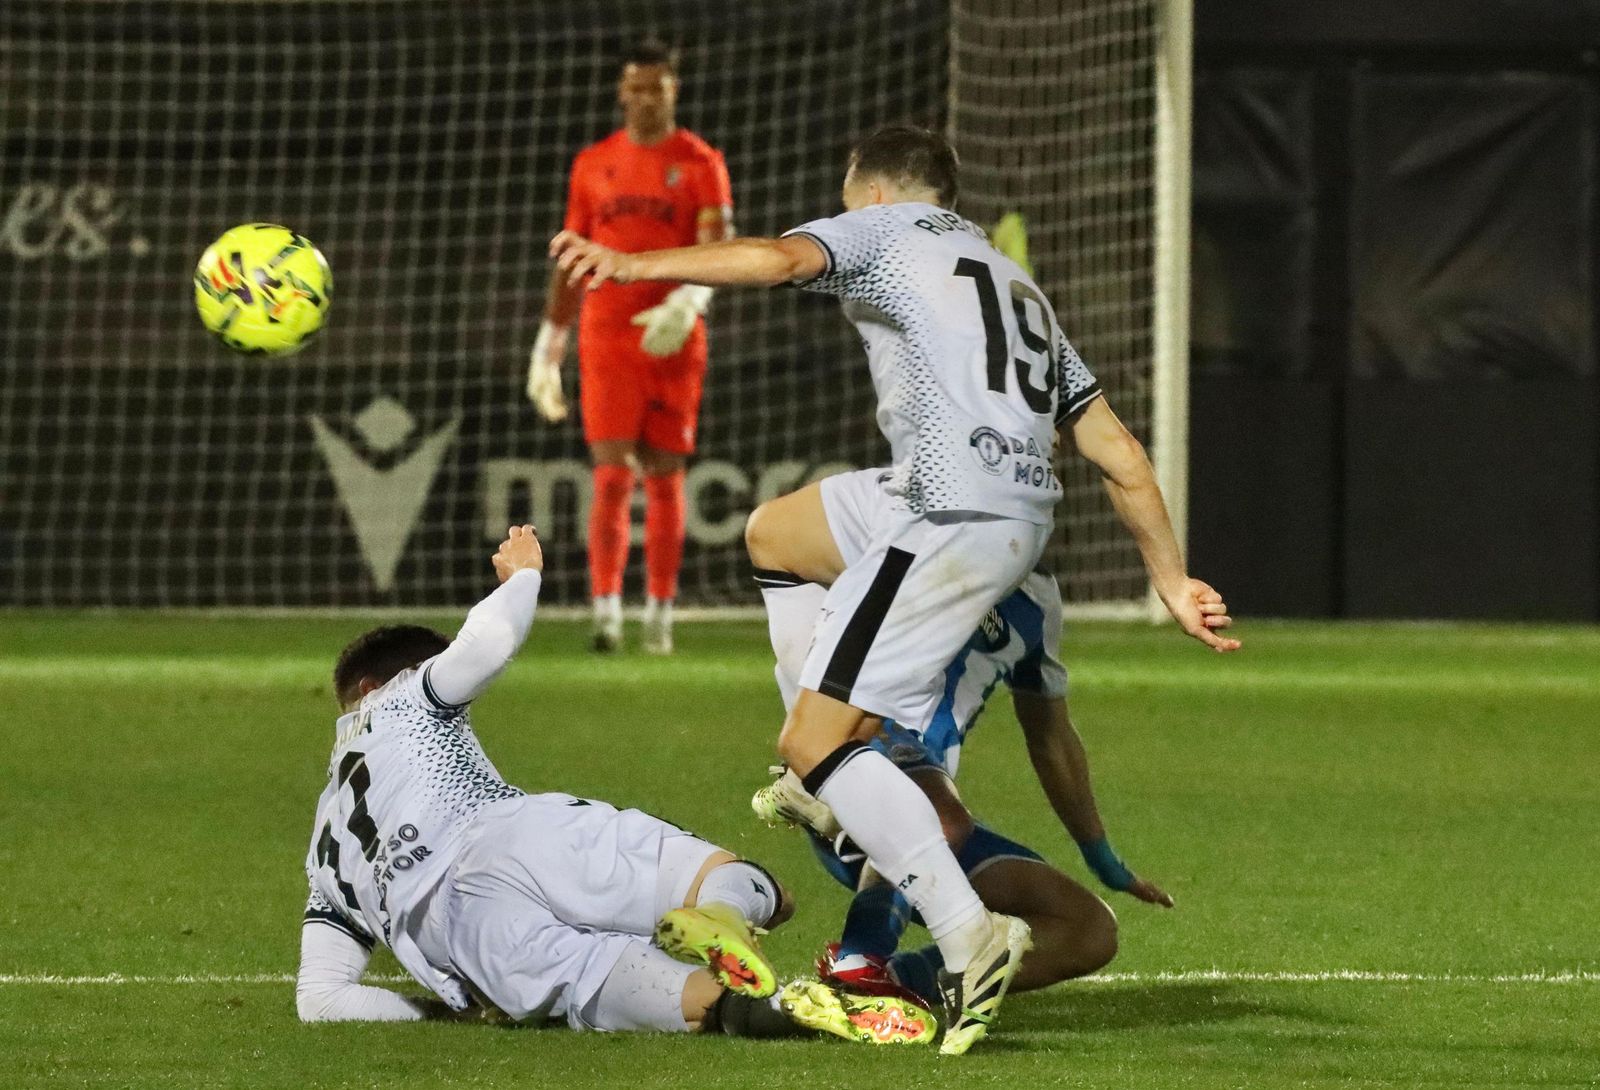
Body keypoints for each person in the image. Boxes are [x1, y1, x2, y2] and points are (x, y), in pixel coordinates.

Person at [548, 123, 1238, 1054]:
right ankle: (827, 782)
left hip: (951, 513)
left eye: (843, 193)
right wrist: (1171, 577)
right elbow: (1117, 452)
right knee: (776, 536)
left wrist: (632, 265)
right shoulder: (1012, 278)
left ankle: (964, 933)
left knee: (816, 740)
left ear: (869, 190)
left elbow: (777, 257)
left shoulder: (885, 230)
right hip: (981, 502)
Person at [295, 525, 934, 1045]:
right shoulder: (398, 699)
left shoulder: (326, 852)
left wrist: (444, 1011)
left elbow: (321, 1001)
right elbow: (485, 645)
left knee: (641, 989)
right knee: (766, 892)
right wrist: (522, 578)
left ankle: (767, 1012)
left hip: (457, 933)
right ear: (372, 689)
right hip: (505, 835)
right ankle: (726, 914)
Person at [752, 559, 1172, 1006]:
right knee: (942, 819)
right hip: (869, 750)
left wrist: (1104, 860)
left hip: (922, 813)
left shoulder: (1038, 601)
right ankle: (857, 964)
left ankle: (890, 988)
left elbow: (1050, 735)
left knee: (1086, 930)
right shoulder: (927, 534)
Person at [526, 39, 733, 655]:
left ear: (674, 90)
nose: (645, 98)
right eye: (635, 87)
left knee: (667, 477)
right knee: (612, 472)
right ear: (622, 92)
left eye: (657, 87)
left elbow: (718, 247)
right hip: (608, 331)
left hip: (672, 332)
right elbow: (570, 256)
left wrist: (688, 302)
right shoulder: (593, 163)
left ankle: (661, 617)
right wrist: (548, 344)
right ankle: (607, 613)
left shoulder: (700, 163)